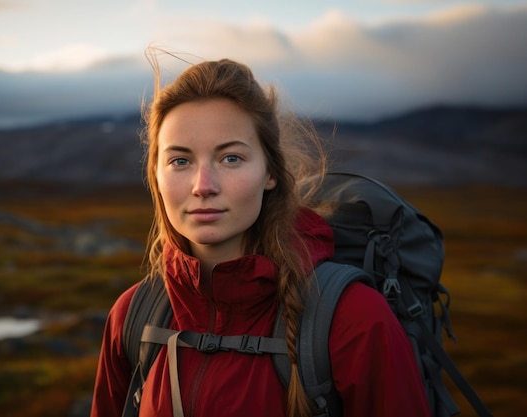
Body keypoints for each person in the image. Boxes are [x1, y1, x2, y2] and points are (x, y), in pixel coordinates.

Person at [90, 53, 432, 417]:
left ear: (270, 173)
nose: (203, 186)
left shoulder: (355, 320)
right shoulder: (132, 317)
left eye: (231, 158)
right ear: (156, 175)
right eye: (180, 161)